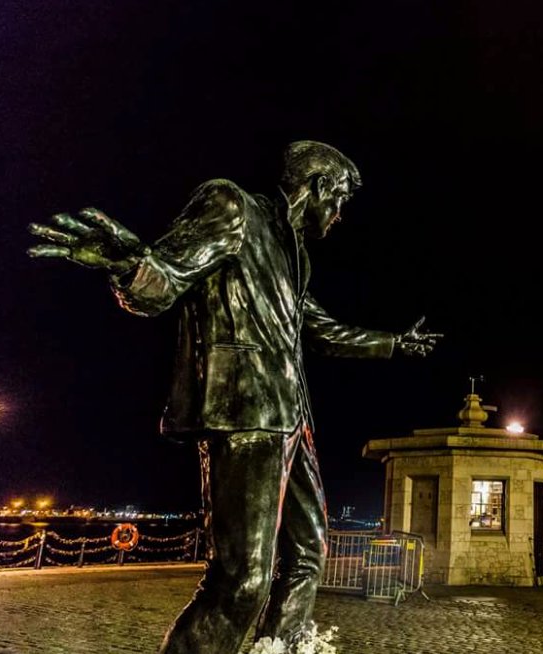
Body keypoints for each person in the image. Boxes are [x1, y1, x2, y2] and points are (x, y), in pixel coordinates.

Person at [28, 141, 441, 653]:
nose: (338, 216)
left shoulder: (294, 259)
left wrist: (394, 344)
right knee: (242, 579)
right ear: (318, 188)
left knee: (310, 553)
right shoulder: (232, 206)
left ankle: (280, 648)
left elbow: (320, 329)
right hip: (245, 413)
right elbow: (165, 281)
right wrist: (127, 262)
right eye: (338, 202)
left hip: (291, 419)